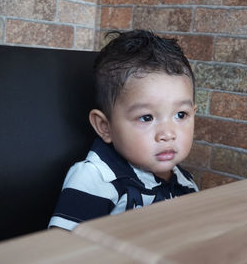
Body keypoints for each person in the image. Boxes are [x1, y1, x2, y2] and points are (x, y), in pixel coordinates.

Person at [48, 29, 199, 231]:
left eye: (181, 115)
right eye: (147, 117)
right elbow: (59, 250)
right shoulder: (96, 179)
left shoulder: (185, 182)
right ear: (105, 127)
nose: (168, 134)